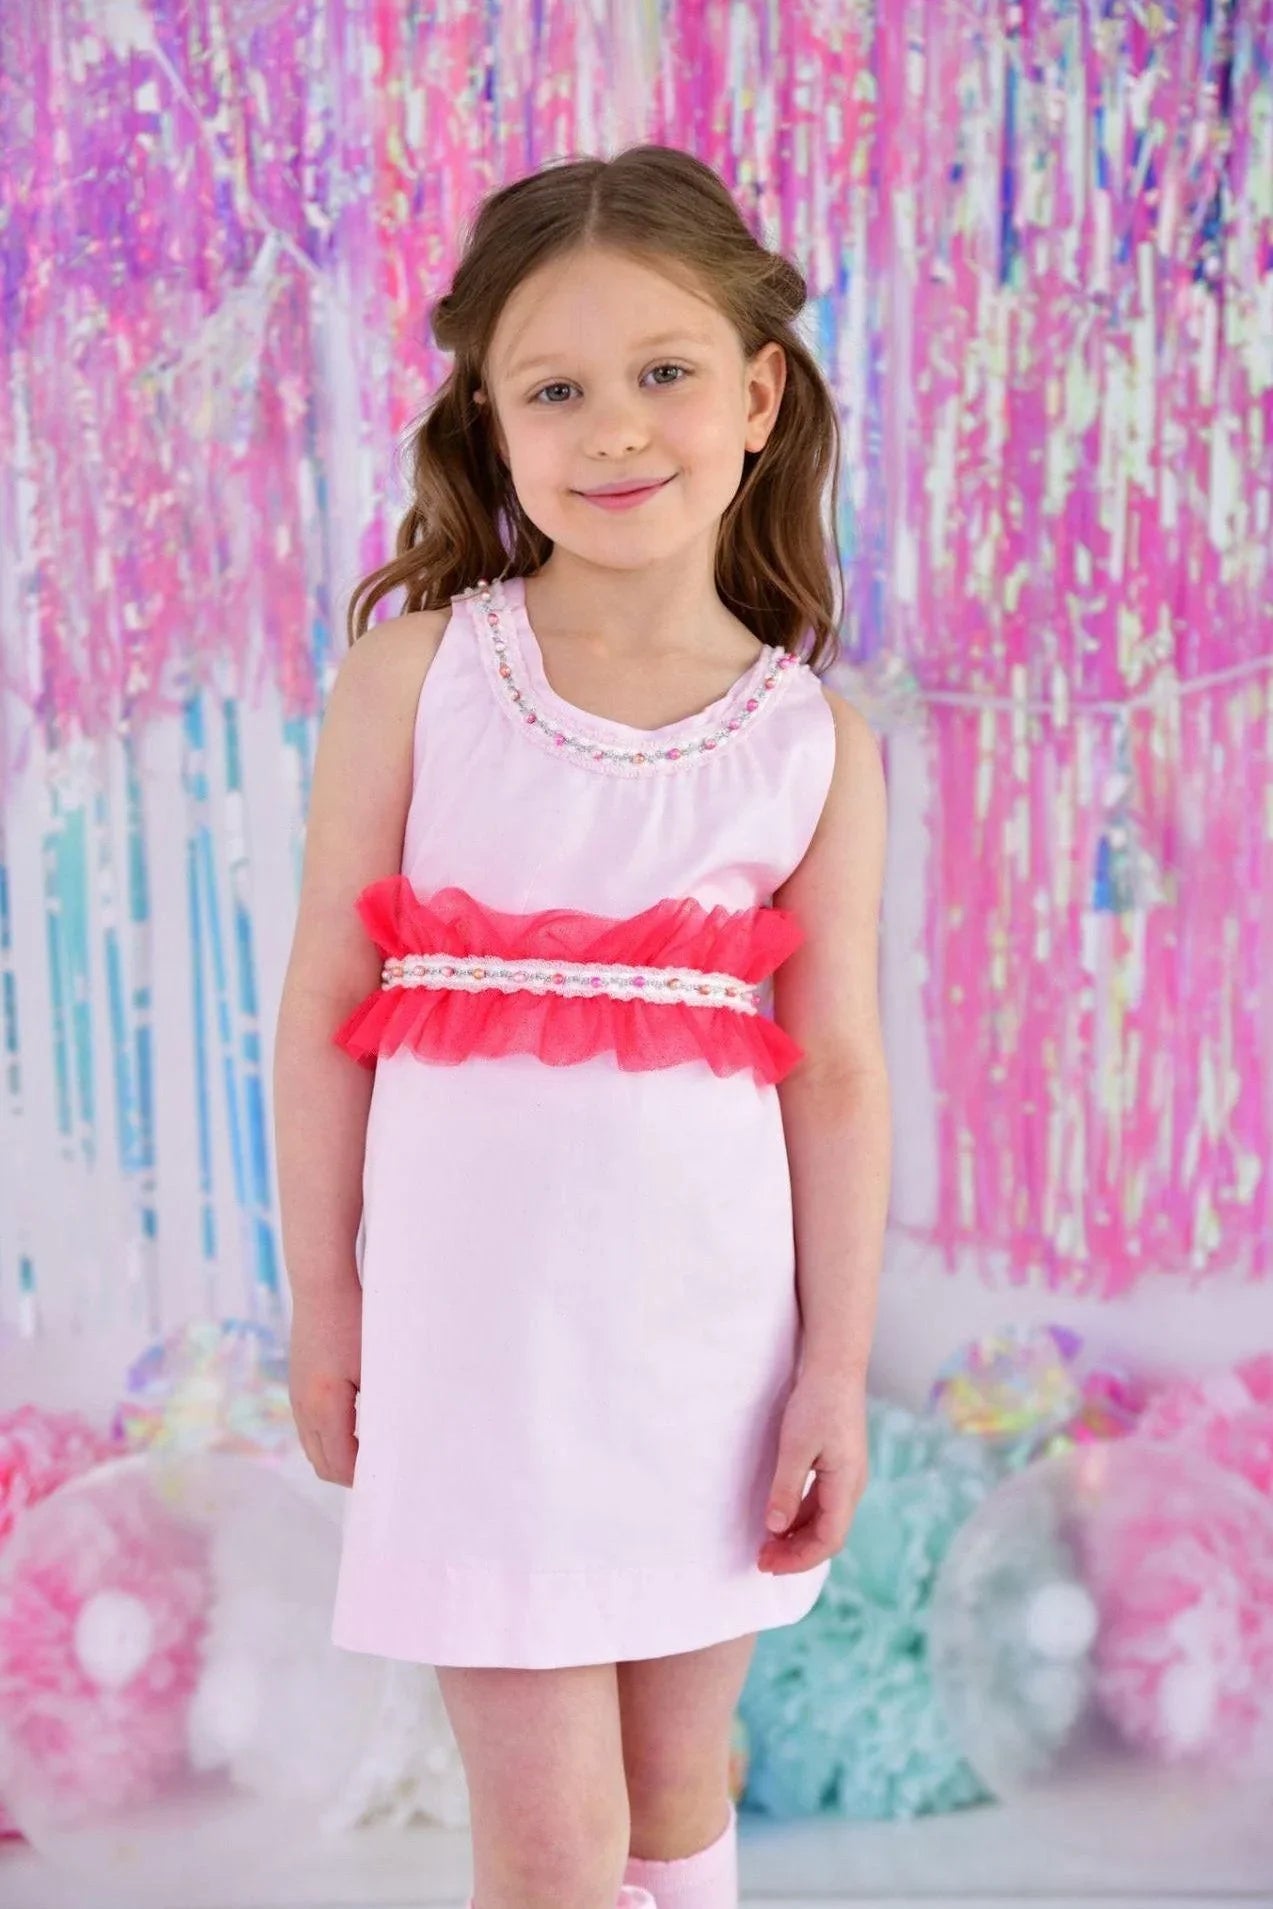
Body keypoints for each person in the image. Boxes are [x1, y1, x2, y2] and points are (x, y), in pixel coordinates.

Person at [273, 144, 891, 1909]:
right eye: (556, 388)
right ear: (488, 417)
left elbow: (836, 1069)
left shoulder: (812, 743)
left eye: (666, 374)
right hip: (476, 1361)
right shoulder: (420, 678)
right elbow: (327, 1003)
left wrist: (830, 1369)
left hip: (704, 1359)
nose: (615, 428)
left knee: (675, 1798)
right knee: (547, 1852)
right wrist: (331, 1304)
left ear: (758, 393)